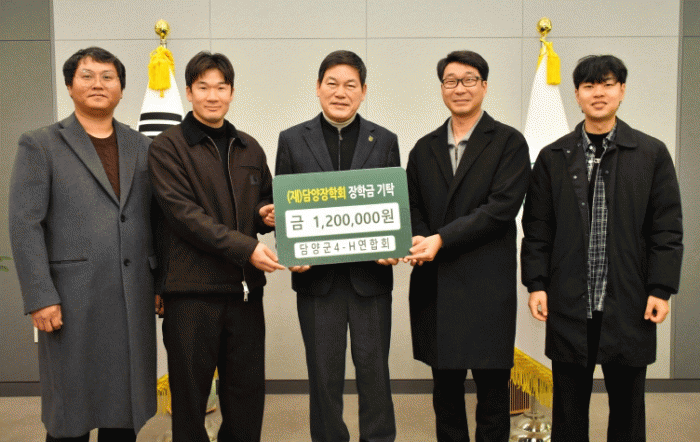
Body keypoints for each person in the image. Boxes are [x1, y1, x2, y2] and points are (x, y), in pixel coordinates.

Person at [521, 55, 683, 442]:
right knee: (568, 408)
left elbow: (666, 228)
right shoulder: (553, 157)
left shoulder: (651, 153)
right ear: (577, 94)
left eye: (608, 84)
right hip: (569, 302)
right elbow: (537, 228)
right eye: (589, 86)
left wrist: (661, 289)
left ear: (622, 91)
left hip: (628, 301)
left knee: (628, 407)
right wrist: (536, 283)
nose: (599, 93)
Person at [9, 47, 157, 442]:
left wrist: (159, 283)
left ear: (121, 89)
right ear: (70, 85)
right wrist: (40, 295)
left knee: (123, 413)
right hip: (71, 300)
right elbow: (25, 224)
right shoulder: (40, 144)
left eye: (108, 77)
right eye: (87, 76)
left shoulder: (142, 146)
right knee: (70, 414)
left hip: (132, 296)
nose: (98, 84)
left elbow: (155, 220)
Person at [148, 51, 284, 442]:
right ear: (189, 92)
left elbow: (261, 201)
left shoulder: (249, 147)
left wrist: (265, 214)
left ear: (232, 92)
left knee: (246, 398)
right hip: (191, 294)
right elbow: (184, 216)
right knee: (189, 401)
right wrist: (247, 248)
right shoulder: (167, 147)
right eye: (203, 87)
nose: (213, 96)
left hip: (244, 294)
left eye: (221, 87)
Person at [404, 50, 531, 442]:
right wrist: (420, 236)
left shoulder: (509, 142)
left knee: (493, 392)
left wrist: (441, 239)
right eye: (451, 81)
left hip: (487, 286)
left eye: (469, 79)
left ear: (484, 86)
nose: (459, 88)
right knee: (445, 393)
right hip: (436, 286)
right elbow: (412, 207)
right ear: (442, 88)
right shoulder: (423, 148)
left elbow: (500, 210)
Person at [274, 50, 399, 442]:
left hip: (370, 281)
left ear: (363, 91)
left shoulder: (386, 140)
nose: (340, 92)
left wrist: (394, 242)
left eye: (350, 85)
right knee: (323, 378)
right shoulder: (292, 140)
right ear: (317, 87)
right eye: (332, 83)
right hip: (317, 284)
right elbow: (284, 208)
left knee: (375, 375)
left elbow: (393, 206)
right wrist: (289, 249)